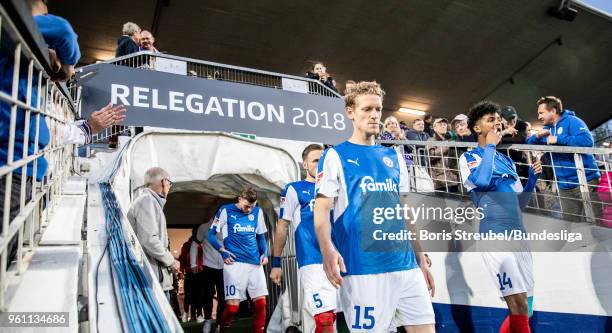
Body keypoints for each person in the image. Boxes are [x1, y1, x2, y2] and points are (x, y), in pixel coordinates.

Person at [314, 81, 435, 332]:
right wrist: (327, 250)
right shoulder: (335, 156)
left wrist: (419, 255)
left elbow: (403, 209)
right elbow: (322, 210)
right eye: (367, 109)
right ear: (350, 112)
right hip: (363, 269)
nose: (374, 116)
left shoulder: (394, 157)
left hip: (406, 266)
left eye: (378, 110)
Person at [458, 101, 542, 333]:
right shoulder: (469, 157)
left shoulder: (507, 161)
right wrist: (490, 149)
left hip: (519, 235)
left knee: (527, 308)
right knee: (518, 302)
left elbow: (519, 204)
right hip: (495, 237)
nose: (497, 122)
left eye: (498, 119)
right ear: (477, 128)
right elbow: (482, 182)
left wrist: (532, 180)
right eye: (490, 120)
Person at [270, 144, 337, 333]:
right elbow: (282, 227)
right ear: (305, 165)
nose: (320, 164)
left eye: (323, 161)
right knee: (324, 319)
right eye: (316, 160)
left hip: (342, 259)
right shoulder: (294, 189)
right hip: (312, 260)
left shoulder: (337, 189)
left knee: (333, 317)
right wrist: (276, 263)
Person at [526, 96, 601, 221]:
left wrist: (559, 139)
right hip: (564, 185)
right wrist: (537, 136)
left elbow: (587, 141)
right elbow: (528, 144)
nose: (539, 117)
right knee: (570, 224)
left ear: (553, 111)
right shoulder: (546, 129)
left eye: (541, 113)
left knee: (596, 225)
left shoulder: (573, 121)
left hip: (585, 181)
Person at [207, 188, 269, 333]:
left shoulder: (257, 212)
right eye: (246, 206)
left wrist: (264, 254)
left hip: (255, 264)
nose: (248, 210)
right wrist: (222, 251)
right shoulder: (225, 210)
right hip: (234, 264)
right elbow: (211, 235)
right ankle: (221, 329)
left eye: (251, 207)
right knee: (232, 308)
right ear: (239, 199)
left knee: (261, 304)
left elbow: (260, 236)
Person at [126, 167, 175, 298]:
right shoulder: (147, 200)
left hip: (154, 279)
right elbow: (149, 240)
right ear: (164, 182)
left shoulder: (150, 201)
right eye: (170, 183)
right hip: (153, 281)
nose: (169, 186)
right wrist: (171, 260)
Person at [197, 219, 225, 333]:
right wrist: (194, 263)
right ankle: (207, 321)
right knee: (207, 295)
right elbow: (195, 243)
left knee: (222, 297)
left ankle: (219, 323)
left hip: (224, 267)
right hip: (208, 266)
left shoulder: (228, 226)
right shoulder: (204, 227)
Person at [428, 118, 460, 192]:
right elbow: (431, 156)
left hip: (454, 178)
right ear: (434, 128)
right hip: (440, 180)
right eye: (440, 125)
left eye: (444, 125)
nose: (443, 126)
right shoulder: (431, 140)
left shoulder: (449, 140)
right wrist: (447, 146)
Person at [499, 106, 529, 183]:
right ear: (501, 119)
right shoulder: (498, 126)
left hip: (519, 164)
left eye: (513, 118)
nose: (512, 121)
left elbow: (520, 139)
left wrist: (500, 139)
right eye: (508, 119)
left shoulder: (522, 124)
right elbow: (490, 139)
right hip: (503, 164)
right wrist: (504, 132)